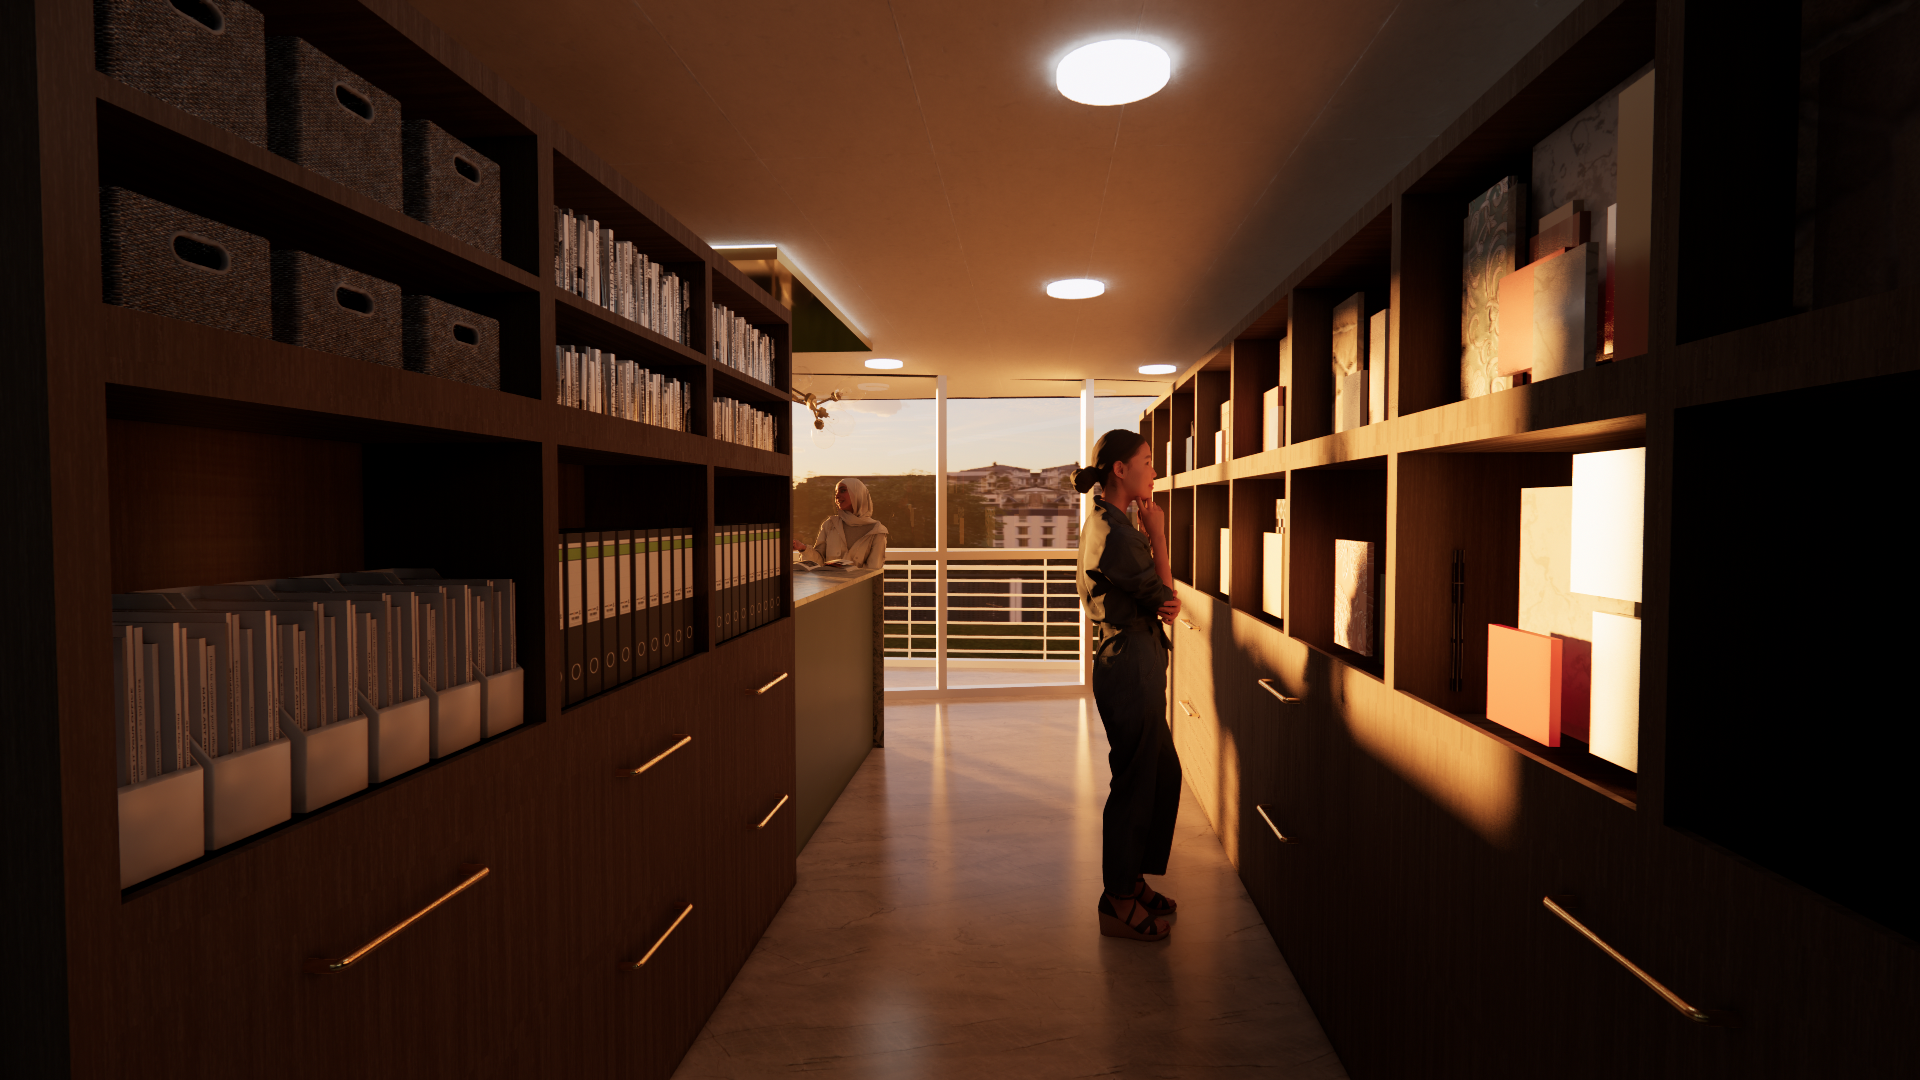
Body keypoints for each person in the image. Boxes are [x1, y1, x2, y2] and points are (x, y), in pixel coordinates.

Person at [1071, 430, 1182, 942]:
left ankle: (1131, 877)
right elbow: (1165, 596)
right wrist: (1158, 533)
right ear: (1121, 469)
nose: (1153, 470)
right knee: (1136, 779)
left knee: (1158, 769)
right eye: (1147, 461)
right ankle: (1117, 896)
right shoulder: (1116, 532)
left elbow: (1162, 601)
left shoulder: (1110, 521)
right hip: (1129, 660)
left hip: (1135, 655)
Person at [791, 477, 890, 569]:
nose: (837, 496)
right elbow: (819, 562)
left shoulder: (877, 531)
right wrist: (803, 548)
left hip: (859, 588)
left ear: (857, 494)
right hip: (830, 586)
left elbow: (873, 570)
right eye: (836, 492)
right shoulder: (829, 525)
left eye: (843, 490)